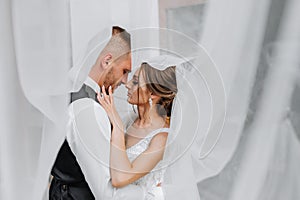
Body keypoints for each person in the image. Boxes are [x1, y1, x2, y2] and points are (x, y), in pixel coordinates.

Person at [49, 26, 132, 200]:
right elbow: (107, 194)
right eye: (124, 71)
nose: (125, 81)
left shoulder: (76, 96)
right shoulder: (87, 109)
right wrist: (151, 191)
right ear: (107, 61)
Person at [97, 62, 177, 199]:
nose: (127, 85)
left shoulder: (162, 138)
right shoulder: (130, 120)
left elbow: (119, 179)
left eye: (135, 82)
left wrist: (118, 128)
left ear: (152, 93)